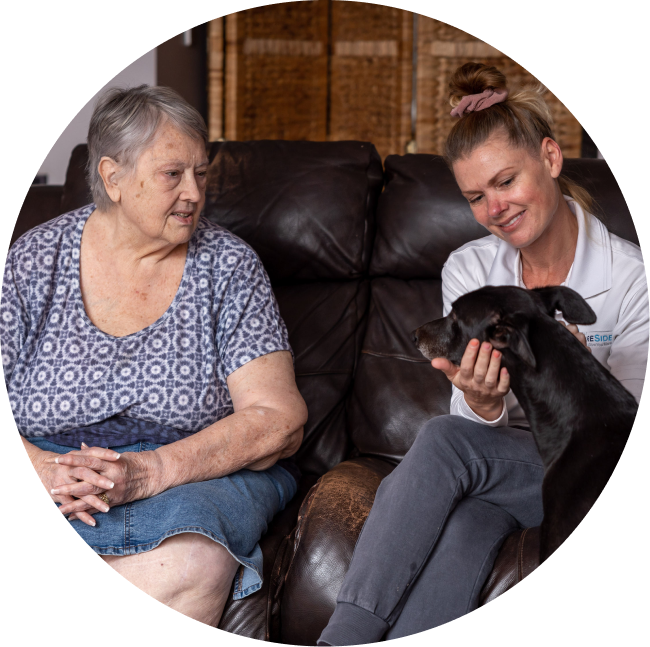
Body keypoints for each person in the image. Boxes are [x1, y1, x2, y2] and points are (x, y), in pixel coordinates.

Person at [317, 63, 648, 644]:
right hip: (508, 462)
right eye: (475, 196)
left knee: (441, 441)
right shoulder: (470, 271)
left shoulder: (630, 276)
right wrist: (482, 401)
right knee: (466, 521)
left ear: (549, 158)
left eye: (505, 182)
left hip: (590, 469)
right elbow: (473, 426)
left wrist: (573, 368)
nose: (495, 208)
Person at [1, 85, 308, 627]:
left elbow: (278, 421)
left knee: (188, 561)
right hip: (55, 467)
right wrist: (50, 469)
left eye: (202, 173)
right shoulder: (32, 261)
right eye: (173, 174)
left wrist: (147, 472)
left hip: (196, 473)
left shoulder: (228, 268)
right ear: (113, 177)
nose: (193, 191)